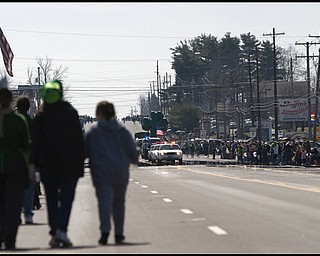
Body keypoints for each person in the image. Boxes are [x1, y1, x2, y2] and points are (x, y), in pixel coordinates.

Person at [30, 80, 85, 248]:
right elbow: (79, 140)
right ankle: (61, 230)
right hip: (70, 165)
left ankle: (55, 231)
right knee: (67, 198)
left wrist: (33, 164)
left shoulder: (41, 118)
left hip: (48, 167)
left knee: (52, 199)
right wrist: (81, 160)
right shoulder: (71, 113)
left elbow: (35, 143)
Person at [84, 101, 139, 245]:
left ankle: (105, 231)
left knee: (104, 201)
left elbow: (84, 151)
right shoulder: (122, 131)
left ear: (98, 114)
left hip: (101, 172)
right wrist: (134, 160)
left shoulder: (94, 132)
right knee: (119, 202)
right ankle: (119, 233)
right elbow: (132, 150)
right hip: (120, 171)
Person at [0, 88, 32, 250]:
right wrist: (30, 167)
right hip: (15, 165)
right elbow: (26, 145)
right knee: (13, 203)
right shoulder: (18, 120)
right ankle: (10, 236)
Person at [16, 96, 35, 224]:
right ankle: (28, 213)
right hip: (29, 159)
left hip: (14, 158)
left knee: (15, 188)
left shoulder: (13, 120)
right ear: (28, 108)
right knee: (29, 187)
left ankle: (16, 214)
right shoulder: (32, 122)